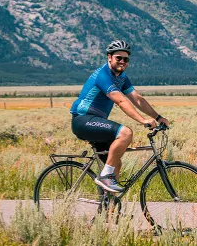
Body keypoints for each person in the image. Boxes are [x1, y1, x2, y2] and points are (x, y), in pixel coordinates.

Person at [70, 40, 170, 193]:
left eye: (126, 59)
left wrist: (158, 117)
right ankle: (105, 177)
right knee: (125, 133)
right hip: (83, 120)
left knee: (115, 163)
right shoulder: (103, 75)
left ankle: (110, 209)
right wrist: (142, 120)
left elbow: (137, 98)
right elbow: (121, 100)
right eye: (119, 58)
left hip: (96, 122)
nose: (122, 61)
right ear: (109, 57)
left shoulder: (121, 78)